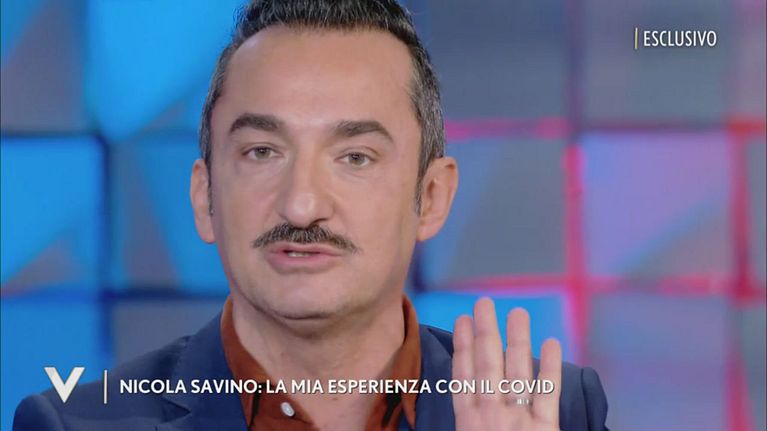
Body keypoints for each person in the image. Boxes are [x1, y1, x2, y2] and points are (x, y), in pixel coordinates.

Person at [13, 1, 609, 430]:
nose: (302, 205)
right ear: (204, 197)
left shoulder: (555, 411)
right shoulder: (74, 424)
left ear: (430, 197)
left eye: (355, 157)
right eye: (262, 152)